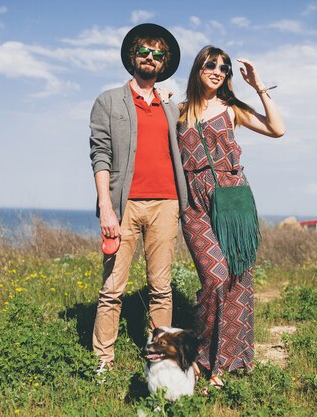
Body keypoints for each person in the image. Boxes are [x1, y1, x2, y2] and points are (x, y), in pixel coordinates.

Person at [176, 45, 286, 387]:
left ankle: (226, 362)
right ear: (198, 68)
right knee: (215, 277)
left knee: (237, 277)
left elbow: (277, 129)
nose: (218, 71)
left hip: (233, 198)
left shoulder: (232, 109)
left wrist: (259, 86)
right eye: (211, 64)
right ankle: (199, 354)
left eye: (224, 67)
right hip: (194, 202)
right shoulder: (177, 111)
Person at [88, 23, 188, 376]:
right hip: (123, 206)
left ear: (164, 63)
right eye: (144, 52)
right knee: (112, 289)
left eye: (158, 54)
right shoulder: (108, 101)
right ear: (132, 56)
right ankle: (102, 361)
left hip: (166, 205)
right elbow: (100, 154)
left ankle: (159, 363)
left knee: (162, 288)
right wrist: (105, 208)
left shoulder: (172, 107)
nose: (150, 58)